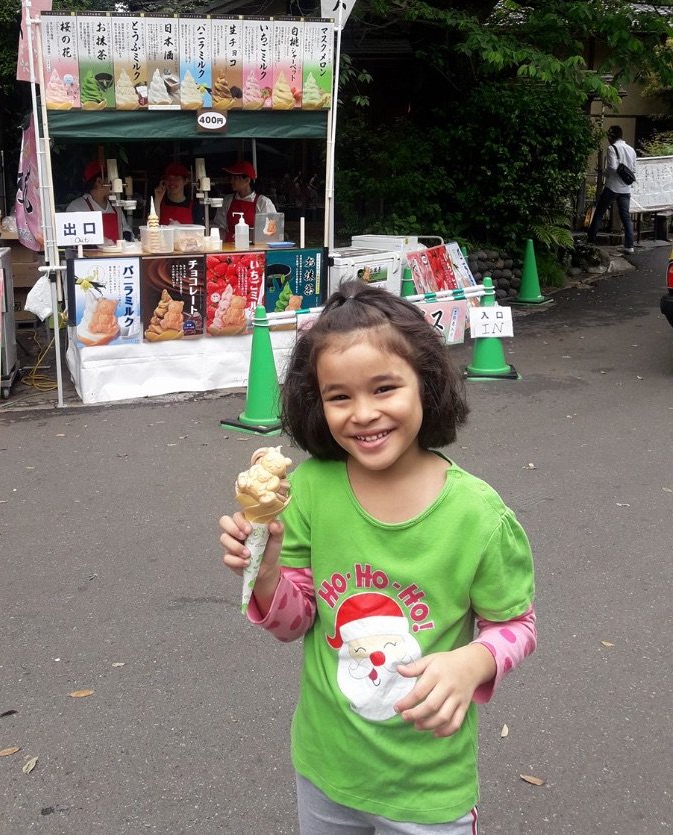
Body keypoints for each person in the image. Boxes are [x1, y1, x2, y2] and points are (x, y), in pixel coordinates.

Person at [219, 281, 536, 834]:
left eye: (385, 388)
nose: (363, 414)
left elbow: (516, 623)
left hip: (429, 786)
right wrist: (265, 571)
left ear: (426, 385)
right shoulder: (310, 490)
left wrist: (472, 662)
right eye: (339, 396)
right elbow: (298, 622)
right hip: (325, 767)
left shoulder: (478, 515)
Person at [586, 125, 638, 253]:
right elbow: (634, 170)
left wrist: (603, 173)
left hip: (612, 187)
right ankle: (629, 246)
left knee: (599, 213)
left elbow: (612, 167)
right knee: (626, 217)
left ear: (611, 136)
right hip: (626, 189)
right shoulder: (631, 150)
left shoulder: (612, 148)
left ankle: (590, 241)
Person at [66, 160, 130, 242]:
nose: (116, 184)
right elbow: (77, 240)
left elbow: (125, 229)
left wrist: (126, 238)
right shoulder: (77, 208)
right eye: (112, 180)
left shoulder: (115, 206)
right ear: (99, 181)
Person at [212, 161, 276, 242]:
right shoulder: (227, 201)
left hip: (255, 251)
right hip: (229, 248)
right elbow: (220, 227)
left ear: (247, 180)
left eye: (235, 178)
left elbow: (271, 232)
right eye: (231, 178)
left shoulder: (263, 203)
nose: (231, 181)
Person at [152, 161, 204, 226]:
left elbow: (199, 233)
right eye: (169, 178)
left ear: (185, 181)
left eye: (177, 178)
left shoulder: (195, 208)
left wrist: (180, 228)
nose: (172, 182)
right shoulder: (158, 203)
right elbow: (152, 228)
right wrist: (157, 200)